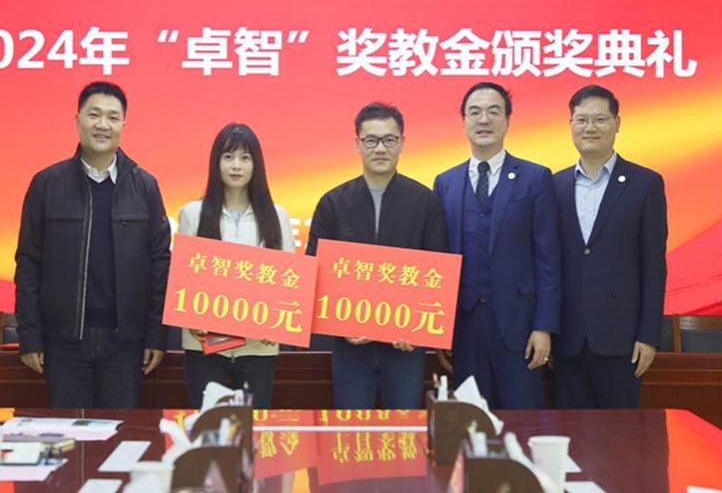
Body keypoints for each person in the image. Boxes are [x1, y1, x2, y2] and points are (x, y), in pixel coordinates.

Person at [14, 81, 171, 408]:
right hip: (63, 341)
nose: (103, 125)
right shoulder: (47, 184)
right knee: (67, 433)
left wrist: (157, 335)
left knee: (121, 433)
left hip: (126, 342)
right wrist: (30, 336)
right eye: (94, 115)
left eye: (113, 117)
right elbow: (28, 263)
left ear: (123, 125)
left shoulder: (145, 186)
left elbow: (160, 264)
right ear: (78, 120)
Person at [306, 102, 448, 409]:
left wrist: (416, 327)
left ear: (402, 143)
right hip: (350, 348)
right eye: (371, 140)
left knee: (403, 430)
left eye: (389, 140)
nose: (380, 148)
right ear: (357, 144)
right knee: (352, 430)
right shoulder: (333, 204)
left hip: (405, 347)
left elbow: (438, 275)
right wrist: (341, 325)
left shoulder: (425, 202)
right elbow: (313, 274)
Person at [433, 82, 560, 409]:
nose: (484, 119)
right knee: (470, 422)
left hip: (519, 328)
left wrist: (543, 327)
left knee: (523, 422)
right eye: (475, 112)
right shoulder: (445, 183)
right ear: (463, 121)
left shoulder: (535, 178)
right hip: (464, 329)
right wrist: (438, 329)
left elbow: (548, 260)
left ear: (507, 121)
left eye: (493, 111)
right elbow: (439, 261)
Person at [553, 85, 667, 408]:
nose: (590, 127)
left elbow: (654, 267)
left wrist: (648, 335)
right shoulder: (554, 185)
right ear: (571, 125)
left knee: (620, 434)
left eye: (600, 119)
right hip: (567, 341)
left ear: (617, 123)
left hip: (622, 341)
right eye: (582, 120)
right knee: (571, 433)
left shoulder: (645, 184)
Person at [178, 123, 295, 408]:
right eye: (228, 157)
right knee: (207, 428)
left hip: (258, 348)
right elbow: (182, 280)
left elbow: (290, 283)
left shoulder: (277, 216)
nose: (236, 166)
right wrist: (191, 319)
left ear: (257, 164)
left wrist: (278, 325)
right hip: (205, 347)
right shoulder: (193, 213)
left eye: (245, 158)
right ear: (215, 162)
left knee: (252, 427)